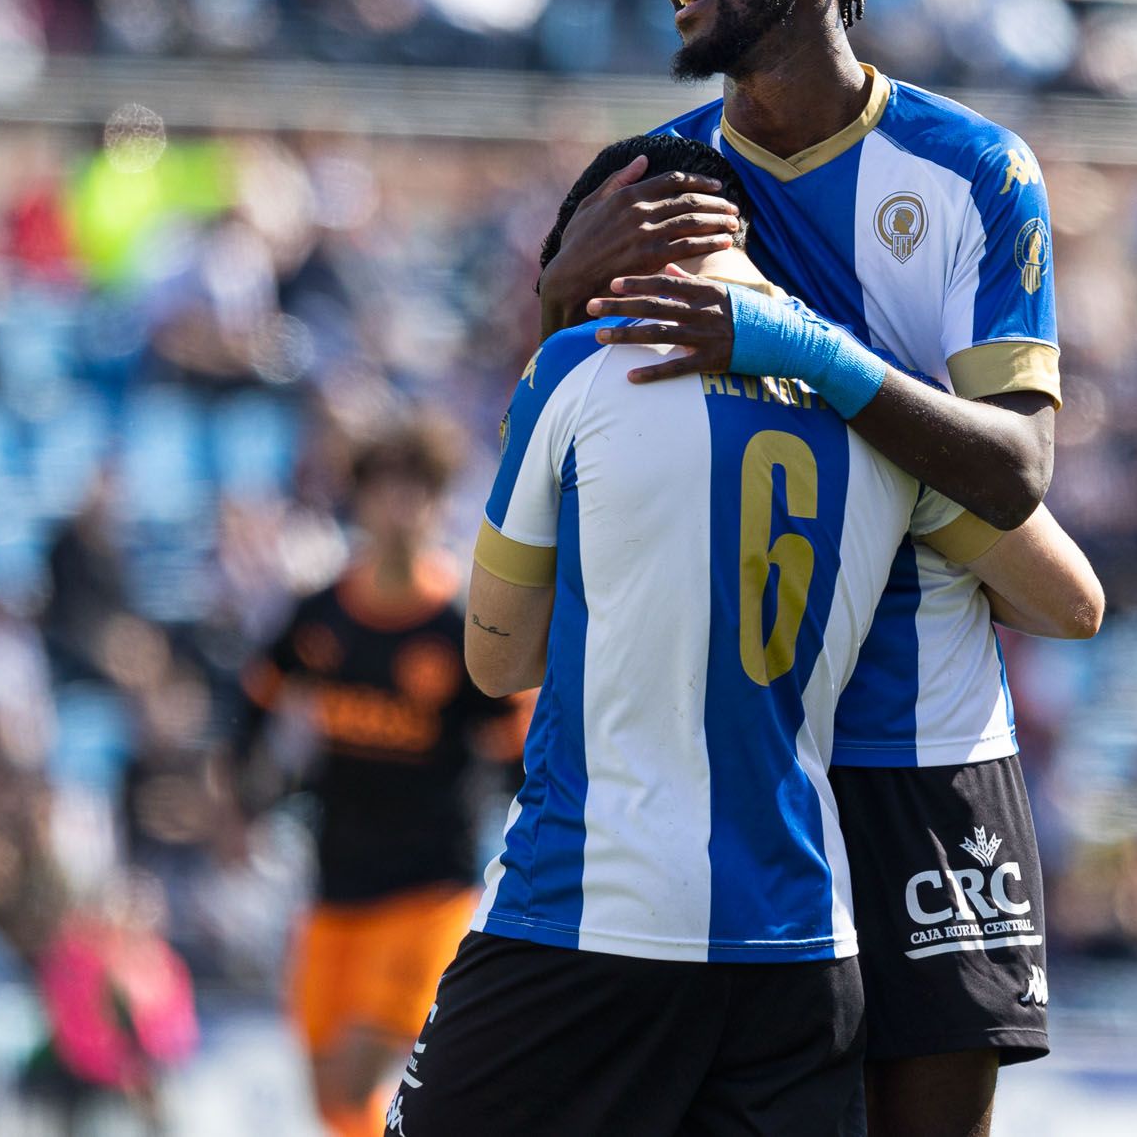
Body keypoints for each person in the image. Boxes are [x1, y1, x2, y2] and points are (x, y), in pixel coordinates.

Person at [386, 133, 1098, 1136]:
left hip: (589, 909)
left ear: (619, 225)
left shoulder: (579, 369)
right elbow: (1072, 601)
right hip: (803, 938)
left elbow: (499, 658)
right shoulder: (874, 402)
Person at [535, 0, 1086, 1137]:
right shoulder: (650, 182)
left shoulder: (972, 172)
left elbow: (1020, 467)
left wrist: (805, 354)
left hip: (928, 746)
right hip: (727, 758)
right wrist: (558, 300)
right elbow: (571, 455)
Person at [234, 418, 529, 1137]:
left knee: (357, 1069)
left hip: (428, 889)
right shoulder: (322, 612)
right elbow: (256, 698)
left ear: (436, 504)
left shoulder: (462, 627)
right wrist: (235, 798)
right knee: (330, 1100)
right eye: (383, 491)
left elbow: (518, 748)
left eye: (415, 492)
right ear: (359, 501)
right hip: (335, 883)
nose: (398, 509)